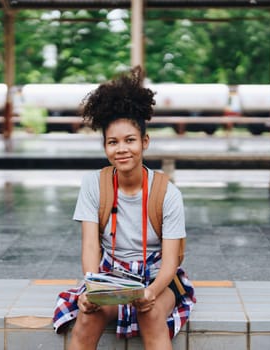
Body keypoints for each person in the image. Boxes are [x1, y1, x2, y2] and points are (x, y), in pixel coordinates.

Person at [52, 66, 196, 350]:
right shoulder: (94, 184)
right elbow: (91, 247)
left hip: (157, 278)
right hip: (109, 276)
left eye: (130, 140)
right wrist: (92, 289)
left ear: (144, 142)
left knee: (151, 315)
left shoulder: (167, 193)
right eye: (112, 142)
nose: (122, 149)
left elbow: (170, 261)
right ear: (105, 147)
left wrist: (151, 292)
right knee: (87, 318)